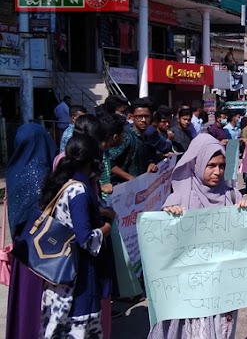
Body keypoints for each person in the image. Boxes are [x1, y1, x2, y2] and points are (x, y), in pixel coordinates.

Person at [148, 134, 247, 339]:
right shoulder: (178, 197)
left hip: (222, 288)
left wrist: (245, 213)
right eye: (211, 165)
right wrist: (169, 217)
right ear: (197, 164)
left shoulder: (232, 195)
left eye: (221, 165)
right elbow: (161, 244)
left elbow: (246, 239)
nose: (217, 172)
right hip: (190, 291)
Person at [40, 134, 113, 337]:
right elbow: (86, 239)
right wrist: (107, 227)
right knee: (77, 330)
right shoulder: (79, 190)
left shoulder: (62, 183)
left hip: (58, 273)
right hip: (78, 278)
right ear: (93, 160)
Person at [5, 124, 56, 339]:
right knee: (37, 298)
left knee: (23, 296)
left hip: (22, 245)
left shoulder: (14, 170)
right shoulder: (44, 173)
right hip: (42, 249)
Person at [110, 98, 158, 183]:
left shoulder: (146, 137)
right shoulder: (126, 137)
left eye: (146, 116)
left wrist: (151, 165)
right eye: (139, 116)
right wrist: (130, 177)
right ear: (131, 117)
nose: (143, 120)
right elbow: (109, 162)